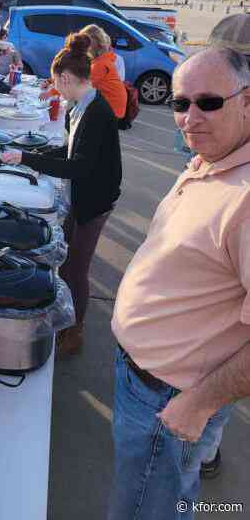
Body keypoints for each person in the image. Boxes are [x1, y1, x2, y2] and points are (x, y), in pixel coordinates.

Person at [109, 47, 250, 519]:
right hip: (148, 382)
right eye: (179, 103)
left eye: (209, 103)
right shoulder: (210, 159)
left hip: (169, 399)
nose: (190, 117)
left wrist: (197, 405)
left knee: (145, 509)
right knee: (166, 499)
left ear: (247, 101)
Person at [2, 35, 122, 355]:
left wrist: (27, 159)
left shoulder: (95, 112)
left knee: (76, 269)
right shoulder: (79, 105)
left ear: (67, 78)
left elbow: (78, 166)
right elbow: (70, 149)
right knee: (65, 259)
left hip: (93, 202)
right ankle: (65, 317)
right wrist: (35, 150)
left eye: (57, 82)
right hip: (81, 196)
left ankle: (74, 329)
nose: (55, 88)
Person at [68, 24, 127, 120]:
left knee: (71, 117)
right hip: (109, 107)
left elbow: (80, 86)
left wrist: (55, 90)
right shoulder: (103, 59)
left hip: (111, 111)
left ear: (93, 44)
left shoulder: (101, 64)